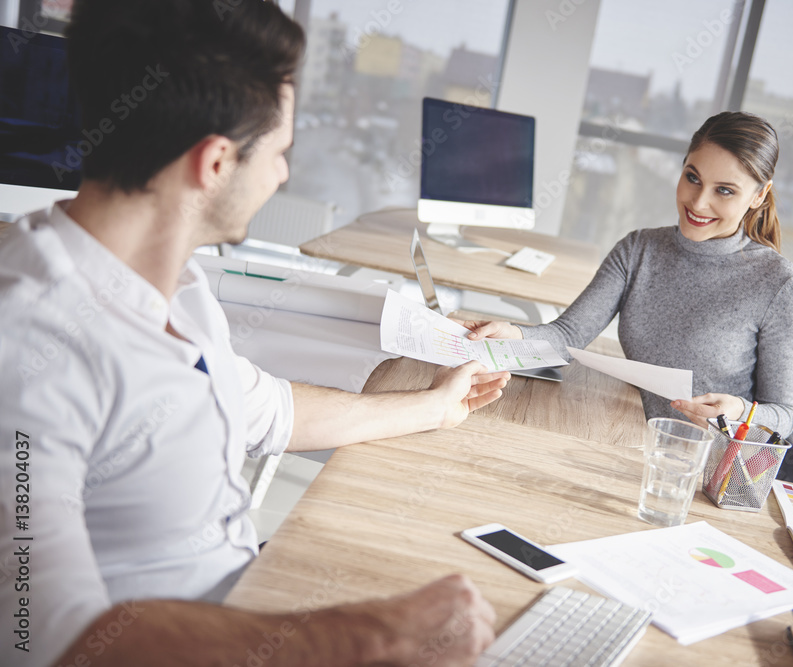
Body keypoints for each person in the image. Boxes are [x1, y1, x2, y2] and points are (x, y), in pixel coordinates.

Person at [0, 1, 507, 665]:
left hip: (253, 601)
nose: (284, 173)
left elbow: (268, 410)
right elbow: (41, 636)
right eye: (279, 151)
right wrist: (368, 637)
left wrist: (435, 406)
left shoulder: (180, 288)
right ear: (214, 164)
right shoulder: (32, 338)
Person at [462, 111, 793, 436]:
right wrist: (515, 334)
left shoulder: (777, 284)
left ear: (759, 195)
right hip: (629, 435)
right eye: (693, 178)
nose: (699, 202)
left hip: (709, 467)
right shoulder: (639, 249)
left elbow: (783, 416)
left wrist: (738, 411)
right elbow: (567, 336)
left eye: (724, 190)